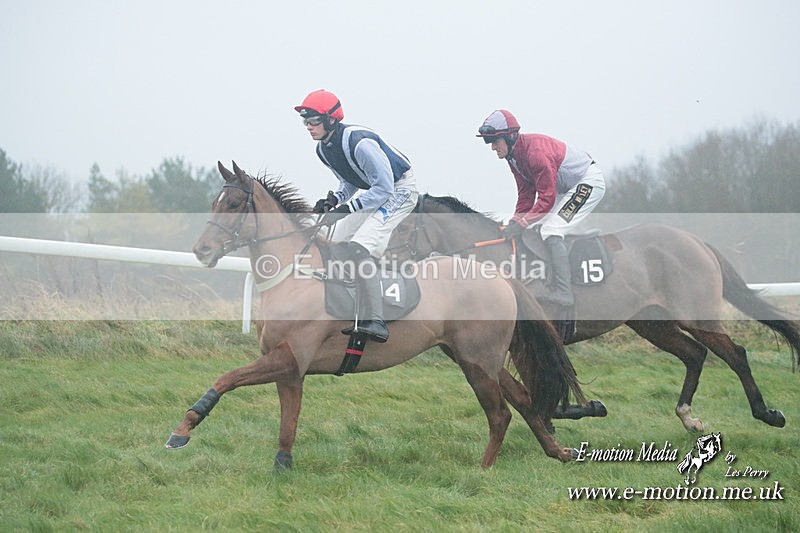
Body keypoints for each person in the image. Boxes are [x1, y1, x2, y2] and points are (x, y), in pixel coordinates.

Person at [295, 89, 418, 342]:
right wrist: (334, 200)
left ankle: (376, 319)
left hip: (400, 191)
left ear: (331, 120)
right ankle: (348, 305)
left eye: (313, 120)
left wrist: (346, 208)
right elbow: (350, 182)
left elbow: (384, 187)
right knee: (336, 243)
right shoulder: (323, 149)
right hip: (377, 193)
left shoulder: (359, 142)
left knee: (360, 246)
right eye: (305, 121)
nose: (308, 126)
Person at [476, 109, 605, 307]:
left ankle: (564, 291)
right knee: (533, 229)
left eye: (494, 141)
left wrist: (521, 223)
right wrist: (514, 222)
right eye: (488, 142)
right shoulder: (514, 157)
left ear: (510, 136)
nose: (492, 147)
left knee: (551, 230)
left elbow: (546, 199)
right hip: (563, 188)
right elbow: (526, 195)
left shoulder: (535, 154)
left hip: (586, 182)